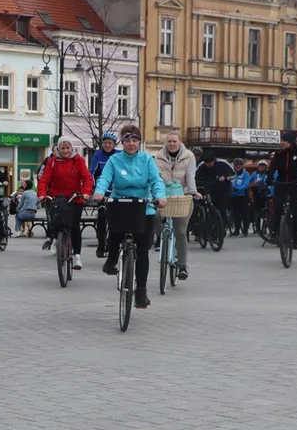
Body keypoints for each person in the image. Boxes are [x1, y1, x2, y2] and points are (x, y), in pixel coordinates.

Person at [94, 124, 167, 308]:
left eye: (135, 140)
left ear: (139, 142)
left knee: (143, 250)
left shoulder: (146, 160)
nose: (131, 144)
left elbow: (155, 180)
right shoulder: (115, 160)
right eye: (128, 140)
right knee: (115, 231)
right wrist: (99, 192)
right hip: (120, 201)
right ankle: (111, 260)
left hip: (143, 205)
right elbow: (105, 178)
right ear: (123, 142)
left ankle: (141, 290)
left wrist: (160, 196)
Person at [37, 135, 93, 269]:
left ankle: (77, 256)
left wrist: (85, 193)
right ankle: (58, 241)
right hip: (58, 197)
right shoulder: (52, 162)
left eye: (68, 147)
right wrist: (42, 194)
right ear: (58, 148)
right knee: (56, 223)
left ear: (71, 148)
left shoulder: (78, 161)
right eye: (62, 148)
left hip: (75, 198)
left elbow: (87, 178)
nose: (65, 150)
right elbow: (44, 179)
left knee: (74, 226)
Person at [153, 131, 197, 279]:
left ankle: (182, 265)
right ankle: (161, 239)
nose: (172, 144)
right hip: (163, 196)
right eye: (169, 141)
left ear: (180, 142)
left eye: (174, 141)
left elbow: (190, 175)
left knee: (180, 231)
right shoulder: (158, 157)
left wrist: (192, 192)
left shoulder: (188, 156)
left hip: (182, 196)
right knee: (154, 216)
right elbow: (155, 177)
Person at [268, 131, 297, 250]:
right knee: (277, 206)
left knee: (295, 211)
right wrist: (270, 176)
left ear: (291, 142)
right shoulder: (279, 154)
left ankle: (295, 239)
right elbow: (272, 167)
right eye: (282, 140)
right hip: (281, 183)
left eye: (285, 141)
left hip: (295, 183)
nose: (282, 143)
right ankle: (276, 232)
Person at [89, 133, 120, 257]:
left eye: (110, 143)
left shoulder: (119, 155)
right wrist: (93, 189)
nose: (107, 145)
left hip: (117, 191)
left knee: (116, 219)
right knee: (101, 217)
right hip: (102, 191)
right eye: (105, 143)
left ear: (114, 144)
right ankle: (101, 245)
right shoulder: (98, 155)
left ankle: (113, 244)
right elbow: (91, 173)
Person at [194, 152, 233, 232]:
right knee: (204, 208)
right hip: (208, 189)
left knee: (222, 210)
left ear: (214, 160)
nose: (209, 165)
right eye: (207, 163)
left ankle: (221, 228)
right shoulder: (201, 166)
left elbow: (233, 174)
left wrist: (225, 177)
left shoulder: (223, 163)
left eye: (211, 162)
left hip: (222, 190)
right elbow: (194, 177)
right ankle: (204, 228)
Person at [229, 158, 252, 236]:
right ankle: (236, 230)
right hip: (233, 196)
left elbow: (246, 184)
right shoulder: (231, 173)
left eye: (239, 165)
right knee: (236, 214)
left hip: (243, 196)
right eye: (236, 165)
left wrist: (238, 189)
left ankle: (245, 230)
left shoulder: (245, 173)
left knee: (245, 214)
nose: (238, 166)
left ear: (242, 165)